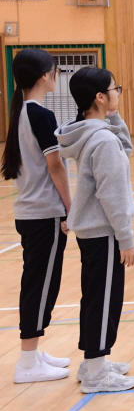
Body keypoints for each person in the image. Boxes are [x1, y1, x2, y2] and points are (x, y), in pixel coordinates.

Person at [55, 66, 134, 393]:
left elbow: (125, 152)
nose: (118, 91)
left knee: (97, 297)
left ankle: (95, 362)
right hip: (104, 232)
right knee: (104, 300)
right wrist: (126, 238)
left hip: (96, 231)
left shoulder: (95, 132)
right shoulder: (101, 140)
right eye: (113, 89)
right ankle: (95, 373)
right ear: (100, 97)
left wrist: (112, 117)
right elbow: (112, 192)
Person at [2, 49, 72, 383]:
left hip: (31, 212)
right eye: (55, 71)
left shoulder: (20, 113)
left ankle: (34, 353)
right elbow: (55, 165)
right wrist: (71, 206)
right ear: (45, 75)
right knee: (40, 286)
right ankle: (27, 362)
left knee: (40, 283)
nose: (56, 75)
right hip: (43, 213)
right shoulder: (40, 116)